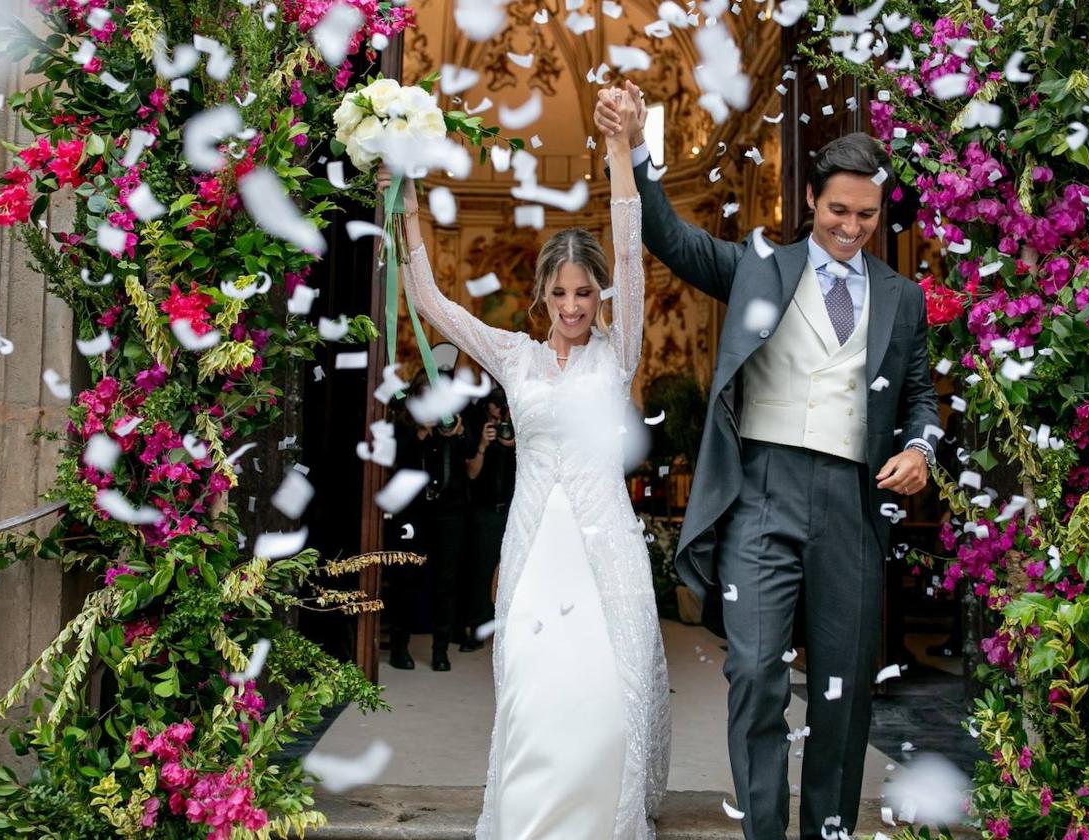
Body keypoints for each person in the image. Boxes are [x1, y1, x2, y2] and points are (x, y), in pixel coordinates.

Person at [595, 84, 941, 840]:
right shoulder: (759, 267)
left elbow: (922, 400)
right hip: (760, 492)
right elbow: (672, 237)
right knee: (754, 673)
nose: (851, 227)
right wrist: (636, 148)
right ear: (812, 198)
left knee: (843, 692)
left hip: (851, 502)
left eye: (867, 215)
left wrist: (919, 449)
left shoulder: (903, 299)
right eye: (838, 210)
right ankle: (762, 831)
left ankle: (826, 830)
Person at [378, 89, 670, 838]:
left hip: (607, 544)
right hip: (537, 548)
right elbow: (434, 304)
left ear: (599, 294)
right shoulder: (516, 357)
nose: (573, 305)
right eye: (560, 291)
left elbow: (630, 242)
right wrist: (406, 205)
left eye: (584, 291)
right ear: (541, 295)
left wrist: (618, 151)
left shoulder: (622, 349)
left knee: (608, 697)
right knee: (538, 697)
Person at [384, 370, 469, 672]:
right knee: (405, 577)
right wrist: (420, 433)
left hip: (448, 511)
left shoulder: (453, 421)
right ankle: (398, 646)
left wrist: (457, 436)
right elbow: (393, 465)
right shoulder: (402, 426)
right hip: (412, 512)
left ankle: (440, 650)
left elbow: (471, 460)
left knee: (446, 581)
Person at [456, 387, 515, 652]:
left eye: (505, 405)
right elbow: (471, 474)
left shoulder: (523, 431)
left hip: (517, 510)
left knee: (518, 572)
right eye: (496, 404)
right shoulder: (478, 429)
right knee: (480, 571)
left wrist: (518, 444)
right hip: (486, 510)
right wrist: (482, 445)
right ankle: (478, 626)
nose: (501, 410)